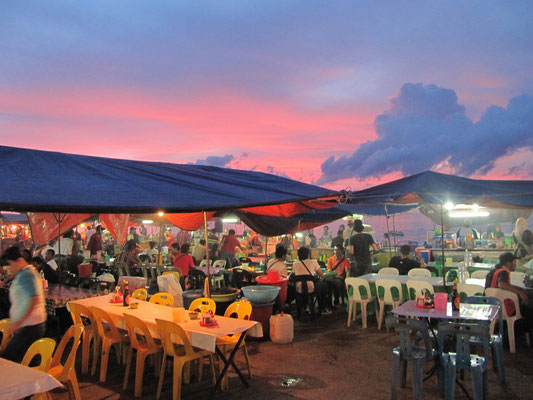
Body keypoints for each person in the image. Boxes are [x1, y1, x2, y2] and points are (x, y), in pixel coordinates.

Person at [0, 246, 46, 362]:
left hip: (29, 325)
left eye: (11, 264)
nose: (10, 268)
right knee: (26, 360)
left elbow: (34, 298)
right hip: (30, 324)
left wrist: (19, 322)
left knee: (7, 360)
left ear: (19, 261)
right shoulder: (25, 272)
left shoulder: (27, 274)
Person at [485, 252, 532, 328]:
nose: (516, 264)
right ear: (508, 263)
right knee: (529, 315)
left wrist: (520, 289)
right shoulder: (504, 272)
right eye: (514, 262)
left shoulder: (493, 271)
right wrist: (520, 293)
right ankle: (510, 337)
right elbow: (502, 284)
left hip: (492, 309)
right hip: (504, 309)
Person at [291, 246, 330, 314]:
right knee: (324, 285)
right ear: (308, 254)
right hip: (311, 288)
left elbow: (292, 275)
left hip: (299, 289)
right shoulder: (313, 262)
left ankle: (305, 306)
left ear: (298, 255)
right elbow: (322, 275)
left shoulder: (295, 264)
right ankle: (322, 308)